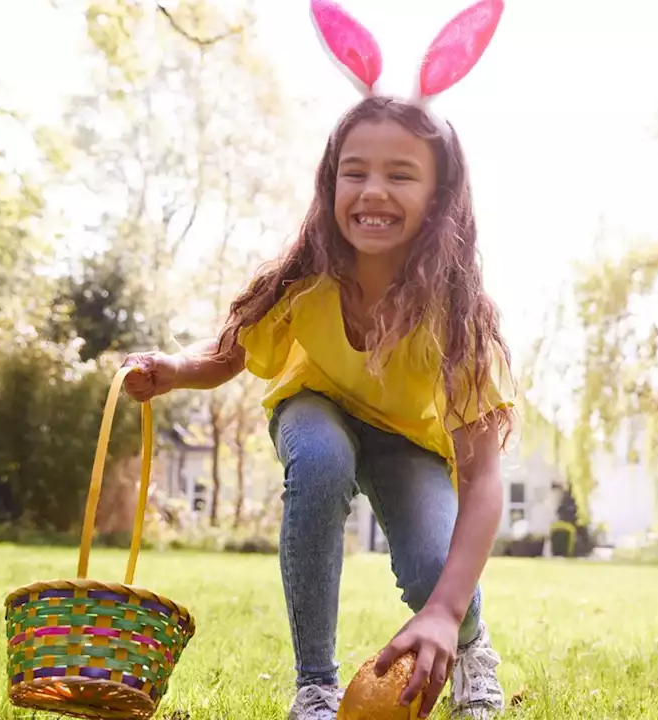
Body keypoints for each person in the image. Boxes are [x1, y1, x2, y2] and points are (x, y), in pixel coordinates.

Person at [121, 2, 512, 718]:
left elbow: (484, 478)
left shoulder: (458, 319)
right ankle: (315, 685)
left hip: (411, 441)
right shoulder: (306, 277)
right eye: (354, 172)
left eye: (401, 175)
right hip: (319, 408)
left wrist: (445, 609)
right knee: (322, 457)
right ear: (330, 183)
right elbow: (227, 355)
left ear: (440, 194)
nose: (372, 192)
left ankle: (470, 646)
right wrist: (174, 371)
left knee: (433, 568)